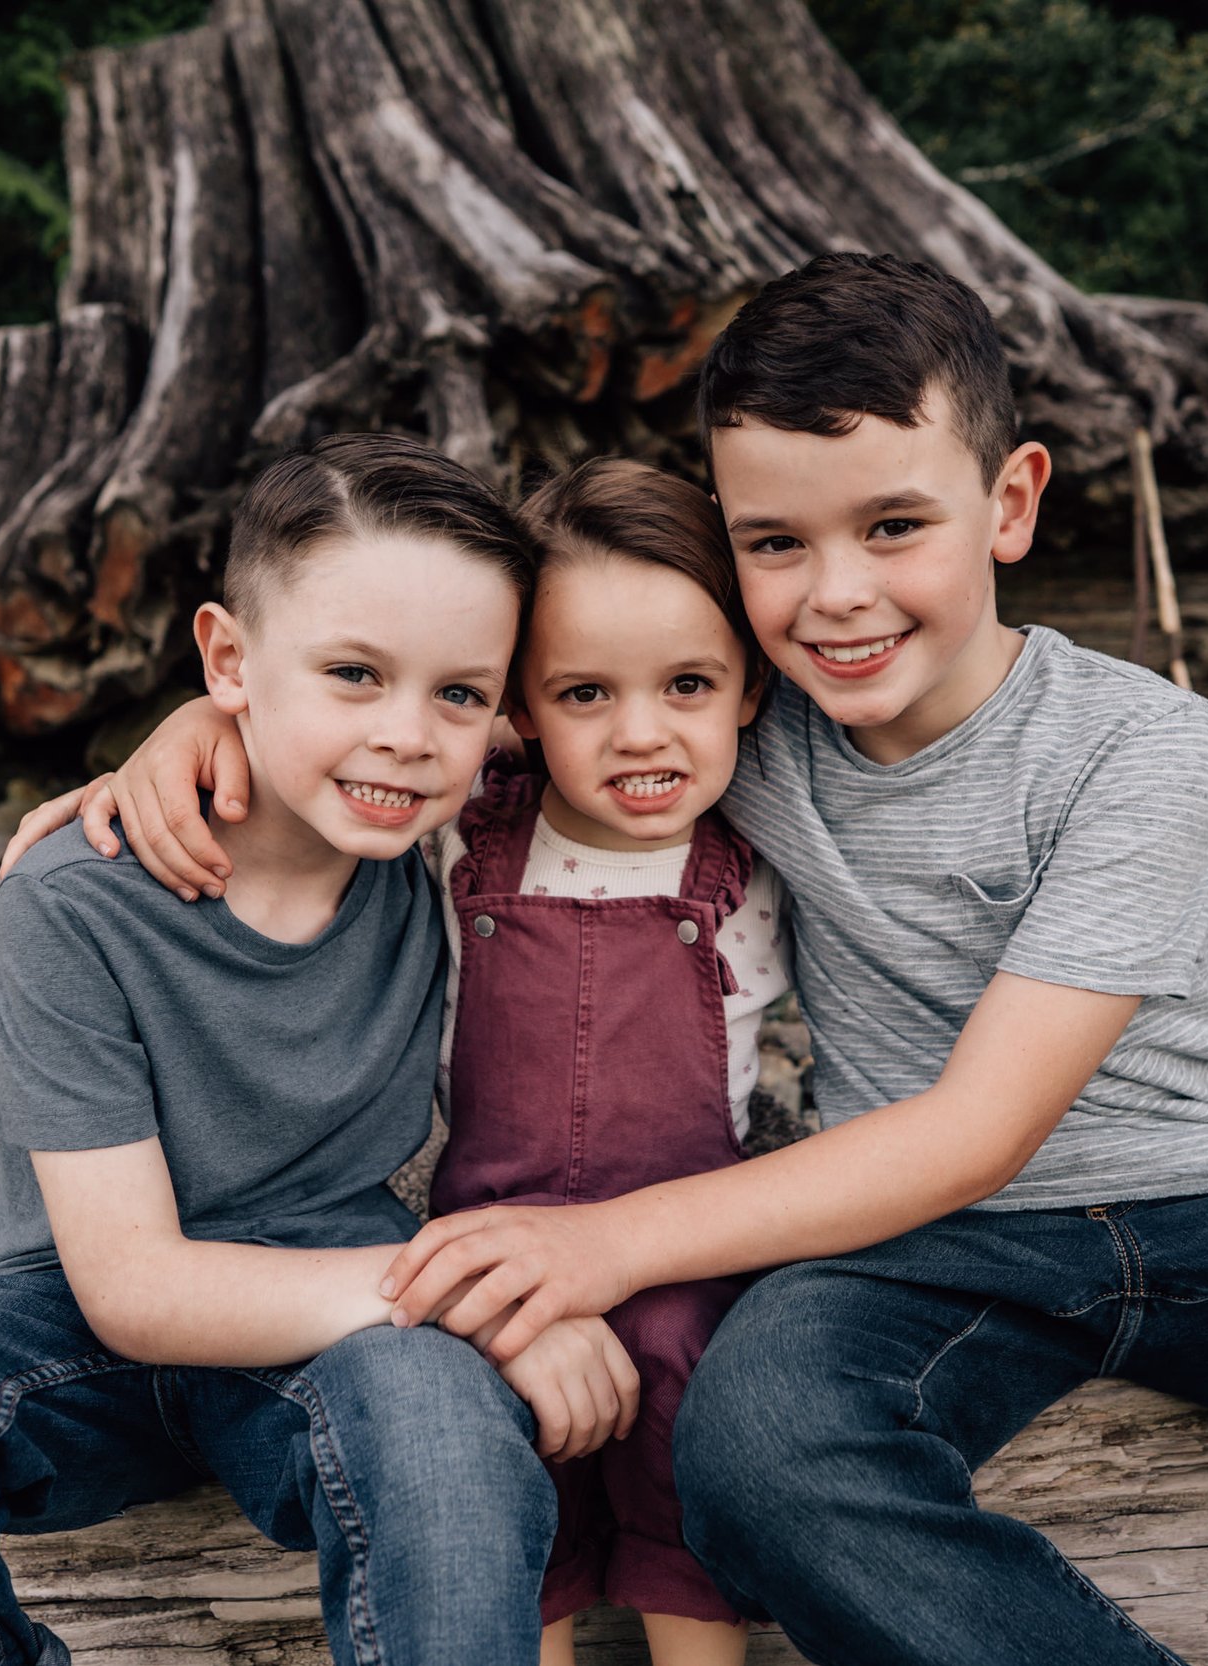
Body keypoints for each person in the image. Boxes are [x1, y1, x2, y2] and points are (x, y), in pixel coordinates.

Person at [23, 254, 1208, 1665]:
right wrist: (193, 735)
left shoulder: (1138, 741)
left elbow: (984, 1129)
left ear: (1011, 501)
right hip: (912, 1262)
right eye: (776, 546)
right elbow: (411, 725)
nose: (837, 596)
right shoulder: (728, 724)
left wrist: (599, 1245)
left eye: (895, 527)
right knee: (762, 1451)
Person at [0, 433, 646, 1666]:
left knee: (445, 1440)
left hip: (334, 1299)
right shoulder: (76, 902)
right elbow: (135, 1290)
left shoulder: (456, 840)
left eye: (460, 693)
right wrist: (489, 1309)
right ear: (227, 656)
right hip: (70, 1325)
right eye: (352, 674)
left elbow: (680, 707)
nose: (409, 735)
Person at [429, 459, 790, 1665]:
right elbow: (305, 737)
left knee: (688, 1443)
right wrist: (183, 730)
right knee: (495, 1478)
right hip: (488, 1253)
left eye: (688, 682)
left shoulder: (756, 866)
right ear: (516, 709)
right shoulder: (461, 830)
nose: (643, 732)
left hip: (682, 1246)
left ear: (749, 686)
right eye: (584, 692)